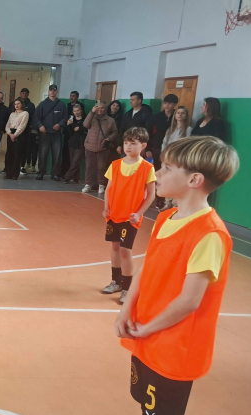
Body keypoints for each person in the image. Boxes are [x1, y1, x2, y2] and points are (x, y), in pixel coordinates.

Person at [115, 136, 239, 415]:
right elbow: (146, 268)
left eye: (167, 168)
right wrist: (127, 308)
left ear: (194, 180)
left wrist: (149, 327)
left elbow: (189, 301)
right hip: (148, 338)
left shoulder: (210, 234)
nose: (158, 173)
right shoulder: (167, 217)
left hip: (174, 349)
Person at [101, 127, 156, 305]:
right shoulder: (115, 165)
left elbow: (151, 195)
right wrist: (106, 208)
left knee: (126, 250)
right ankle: (115, 282)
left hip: (130, 217)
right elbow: (108, 189)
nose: (128, 147)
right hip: (114, 214)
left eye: (133, 143)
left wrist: (139, 213)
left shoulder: (147, 168)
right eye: (126, 143)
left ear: (143, 145)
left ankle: (127, 287)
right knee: (115, 247)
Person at [160, 106, 192, 211]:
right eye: (178, 113)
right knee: (167, 180)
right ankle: (167, 203)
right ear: (175, 115)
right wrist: (164, 155)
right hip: (167, 158)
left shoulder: (188, 129)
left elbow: (186, 145)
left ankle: (175, 204)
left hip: (178, 160)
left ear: (186, 116)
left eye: (183, 113)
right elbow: (164, 143)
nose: (180, 115)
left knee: (176, 181)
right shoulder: (170, 129)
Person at [33, 84, 68, 180]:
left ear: (56, 92)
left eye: (54, 90)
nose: (52, 92)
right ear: (48, 91)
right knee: (43, 154)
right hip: (44, 134)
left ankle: (55, 173)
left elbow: (65, 118)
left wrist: (60, 124)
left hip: (57, 134)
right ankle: (41, 172)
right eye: (51, 90)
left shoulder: (61, 105)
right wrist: (40, 126)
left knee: (57, 155)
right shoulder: (42, 104)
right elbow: (36, 118)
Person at [82, 101, 118, 194]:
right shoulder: (92, 117)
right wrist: (92, 112)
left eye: (102, 108)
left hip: (103, 147)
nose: (100, 109)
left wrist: (108, 139)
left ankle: (101, 185)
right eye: (98, 107)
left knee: (101, 167)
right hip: (90, 146)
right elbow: (85, 125)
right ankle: (88, 184)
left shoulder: (110, 120)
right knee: (89, 166)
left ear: (105, 109)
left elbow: (115, 132)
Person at [145, 94, 178, 171]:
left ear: (175, 105)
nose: (167, 106)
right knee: (153, 170)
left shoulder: (177, 117)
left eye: (170, 103)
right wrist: (147, 149)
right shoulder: (156, 117)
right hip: (155, 147)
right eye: (165, 103)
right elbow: (148, 133)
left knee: (166, 169)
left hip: (170, 148)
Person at [11, 88, 36, 174]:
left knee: (24, 149)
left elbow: (32, 117)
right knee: (12, 149)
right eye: (23, 93)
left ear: (28, 94)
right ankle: (10, 167)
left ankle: (22, 166)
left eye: (26, 93)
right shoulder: (14, 103)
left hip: (25, 130)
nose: (24, 94)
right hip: (13, 130)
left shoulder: (31, 105)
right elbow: (10, 115)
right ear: (20, 93)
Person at [4, 98, 30, 179]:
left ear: (22, 104)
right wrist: (10, 134)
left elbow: (22, 126)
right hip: (10, 133)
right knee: (9, 154)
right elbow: (7, 125)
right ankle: (8, 173)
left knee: (17, 154)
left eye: (18, 103)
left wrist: (15, 135)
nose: (17, 105)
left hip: (19, 134)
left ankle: (15, 174)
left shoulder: (25, 113)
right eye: (15, 104)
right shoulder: (12, 114)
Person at [61, 91, 86, 176]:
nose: (71, 97)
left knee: (76, 160)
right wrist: (69, 126)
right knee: (68, 156)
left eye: (73, 96)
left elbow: (85, 126)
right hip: (70, 136)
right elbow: (70, 126)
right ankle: (66, 173)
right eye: (70, 96)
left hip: (80, 139)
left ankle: (70, 176)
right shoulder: (68, 106)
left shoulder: (83, 114)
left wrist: (78, 127)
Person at [63, 103, 88, 184]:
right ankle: (76, 178)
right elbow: (71, 133)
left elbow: (86, 129)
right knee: (73, 162)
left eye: (78, 110)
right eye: (74, 111)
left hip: (81, 143)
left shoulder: (85, 120)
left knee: (75, 162)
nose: (76, 112)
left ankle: (67, 177)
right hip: (72, 143)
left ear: (81, 111)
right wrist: (68, 125)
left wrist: (79, 128)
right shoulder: (71, 120)